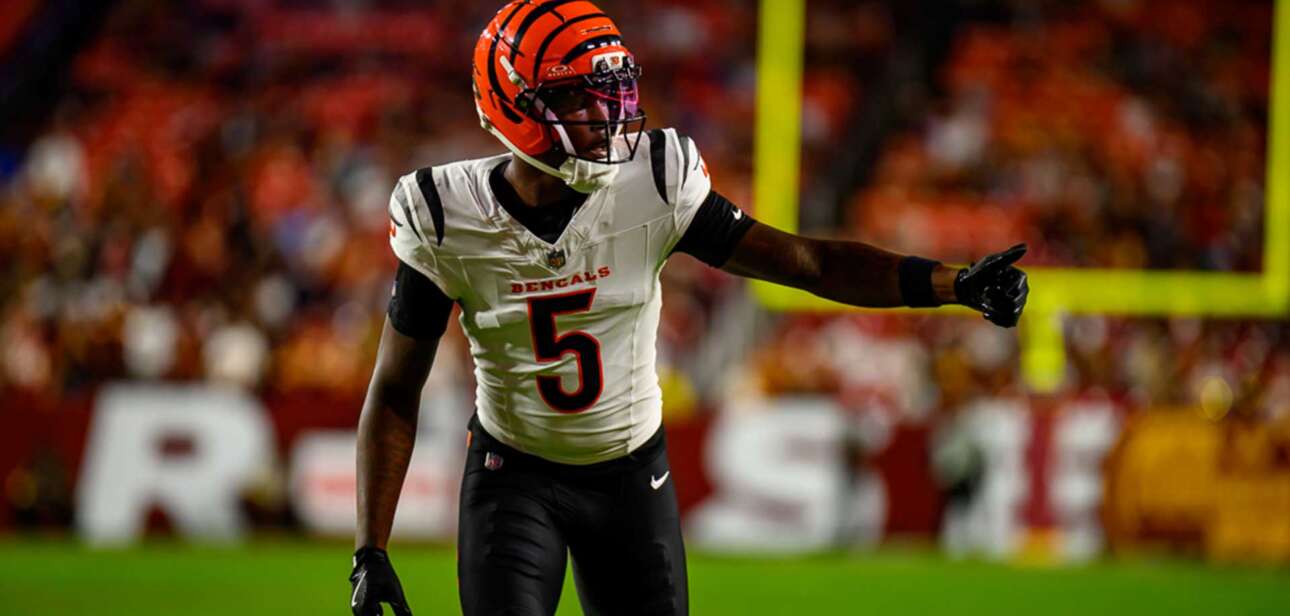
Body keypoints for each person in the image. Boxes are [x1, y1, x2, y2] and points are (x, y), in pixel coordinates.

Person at [349, 1, 1029, 614]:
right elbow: (396, 390)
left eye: (612, 92)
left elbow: (807, 263)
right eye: (577, 98)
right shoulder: (445, 216)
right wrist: (371, 550)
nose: (606, 116)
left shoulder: (655, 182)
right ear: (512, 104)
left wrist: (951, 283)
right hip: (512, 476)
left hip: (630, 476)